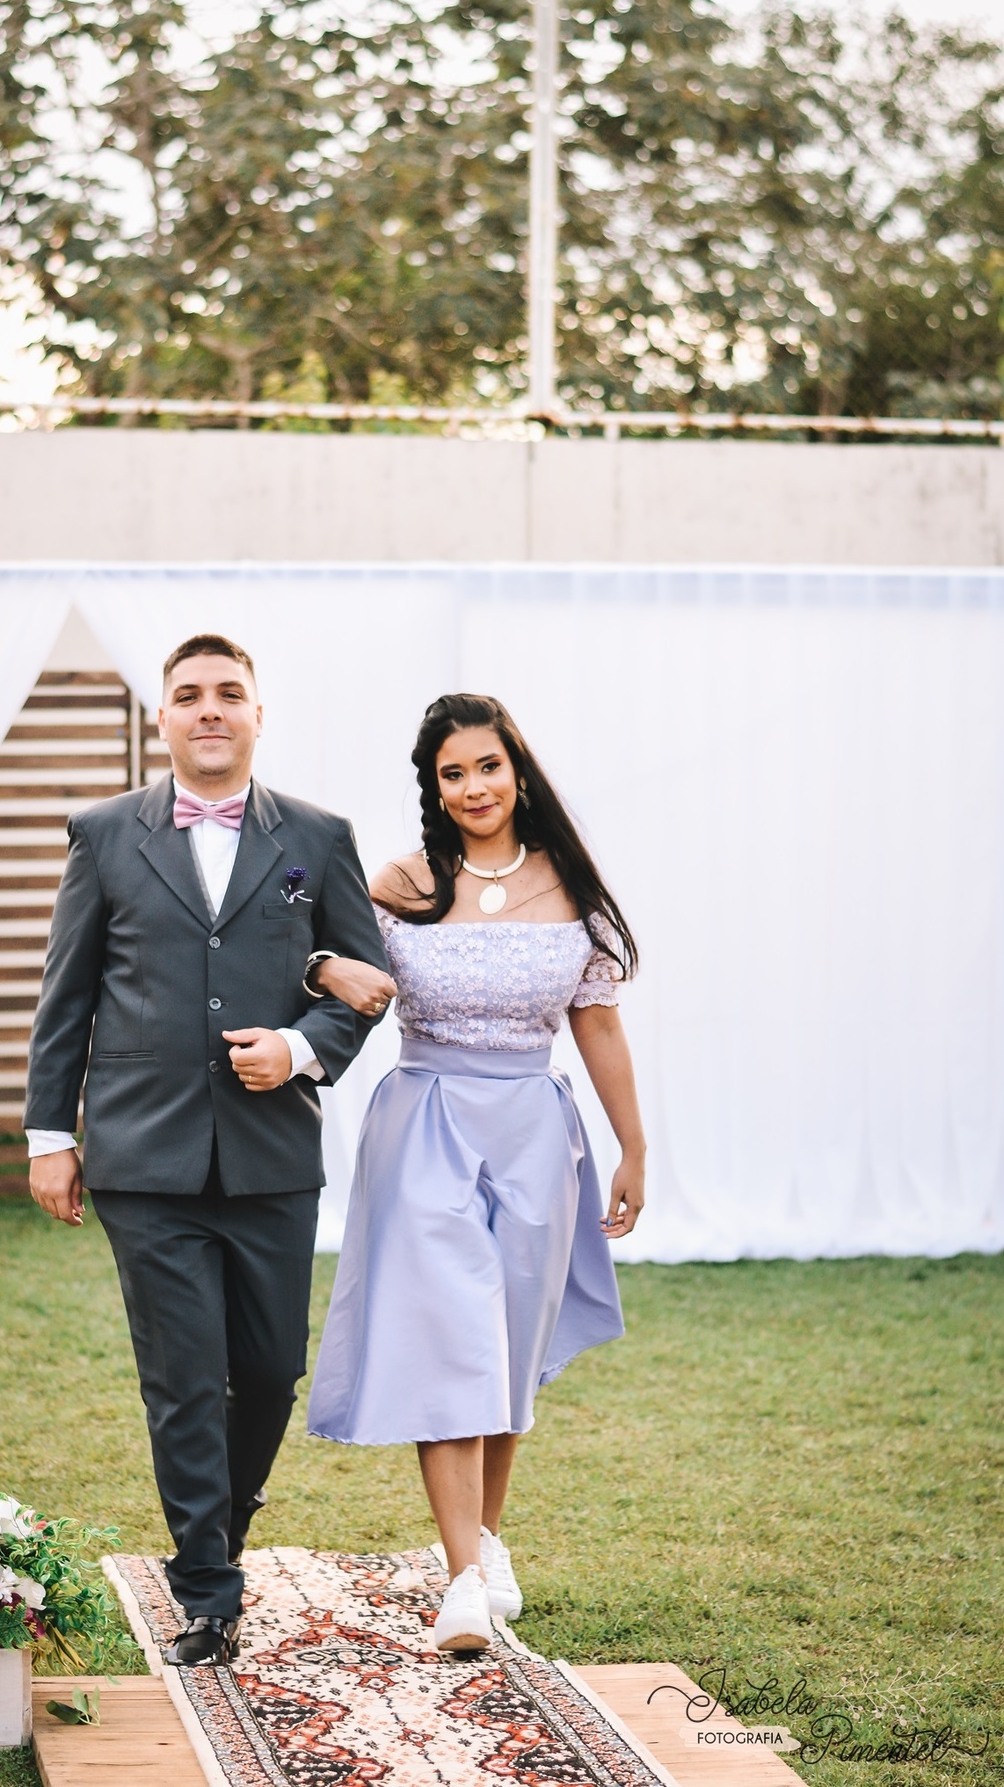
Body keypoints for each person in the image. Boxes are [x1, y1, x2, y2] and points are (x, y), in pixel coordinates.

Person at [23, 634, 391, 1666]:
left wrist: (301, 1050)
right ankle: (208, 1590)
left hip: (273, 1156)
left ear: (259, 714)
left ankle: (218, 1529)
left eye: (230, 693)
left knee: (269, 1371)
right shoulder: (104, 835)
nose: (210, 709)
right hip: (144, 1158)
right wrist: (51, 1136)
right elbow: (67, 997)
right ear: (164, 719)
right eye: (189, 695)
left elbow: (361, 985)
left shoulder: (319, 837)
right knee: (184, 1378)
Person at [305, 693, 646, 1653]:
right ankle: (460, 1576)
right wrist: (324, 968)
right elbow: (320, 964)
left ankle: (485, 1538)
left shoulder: (571, 885)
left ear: (518, 771)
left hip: (536, 1132)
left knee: (506, 1341)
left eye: (487, 766)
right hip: (424, 1124)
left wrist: (634, 1146)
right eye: (451, 773)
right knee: (450, 1335)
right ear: (434, 787)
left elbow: (598, 1023)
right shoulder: (401, 883)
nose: (473, 787)